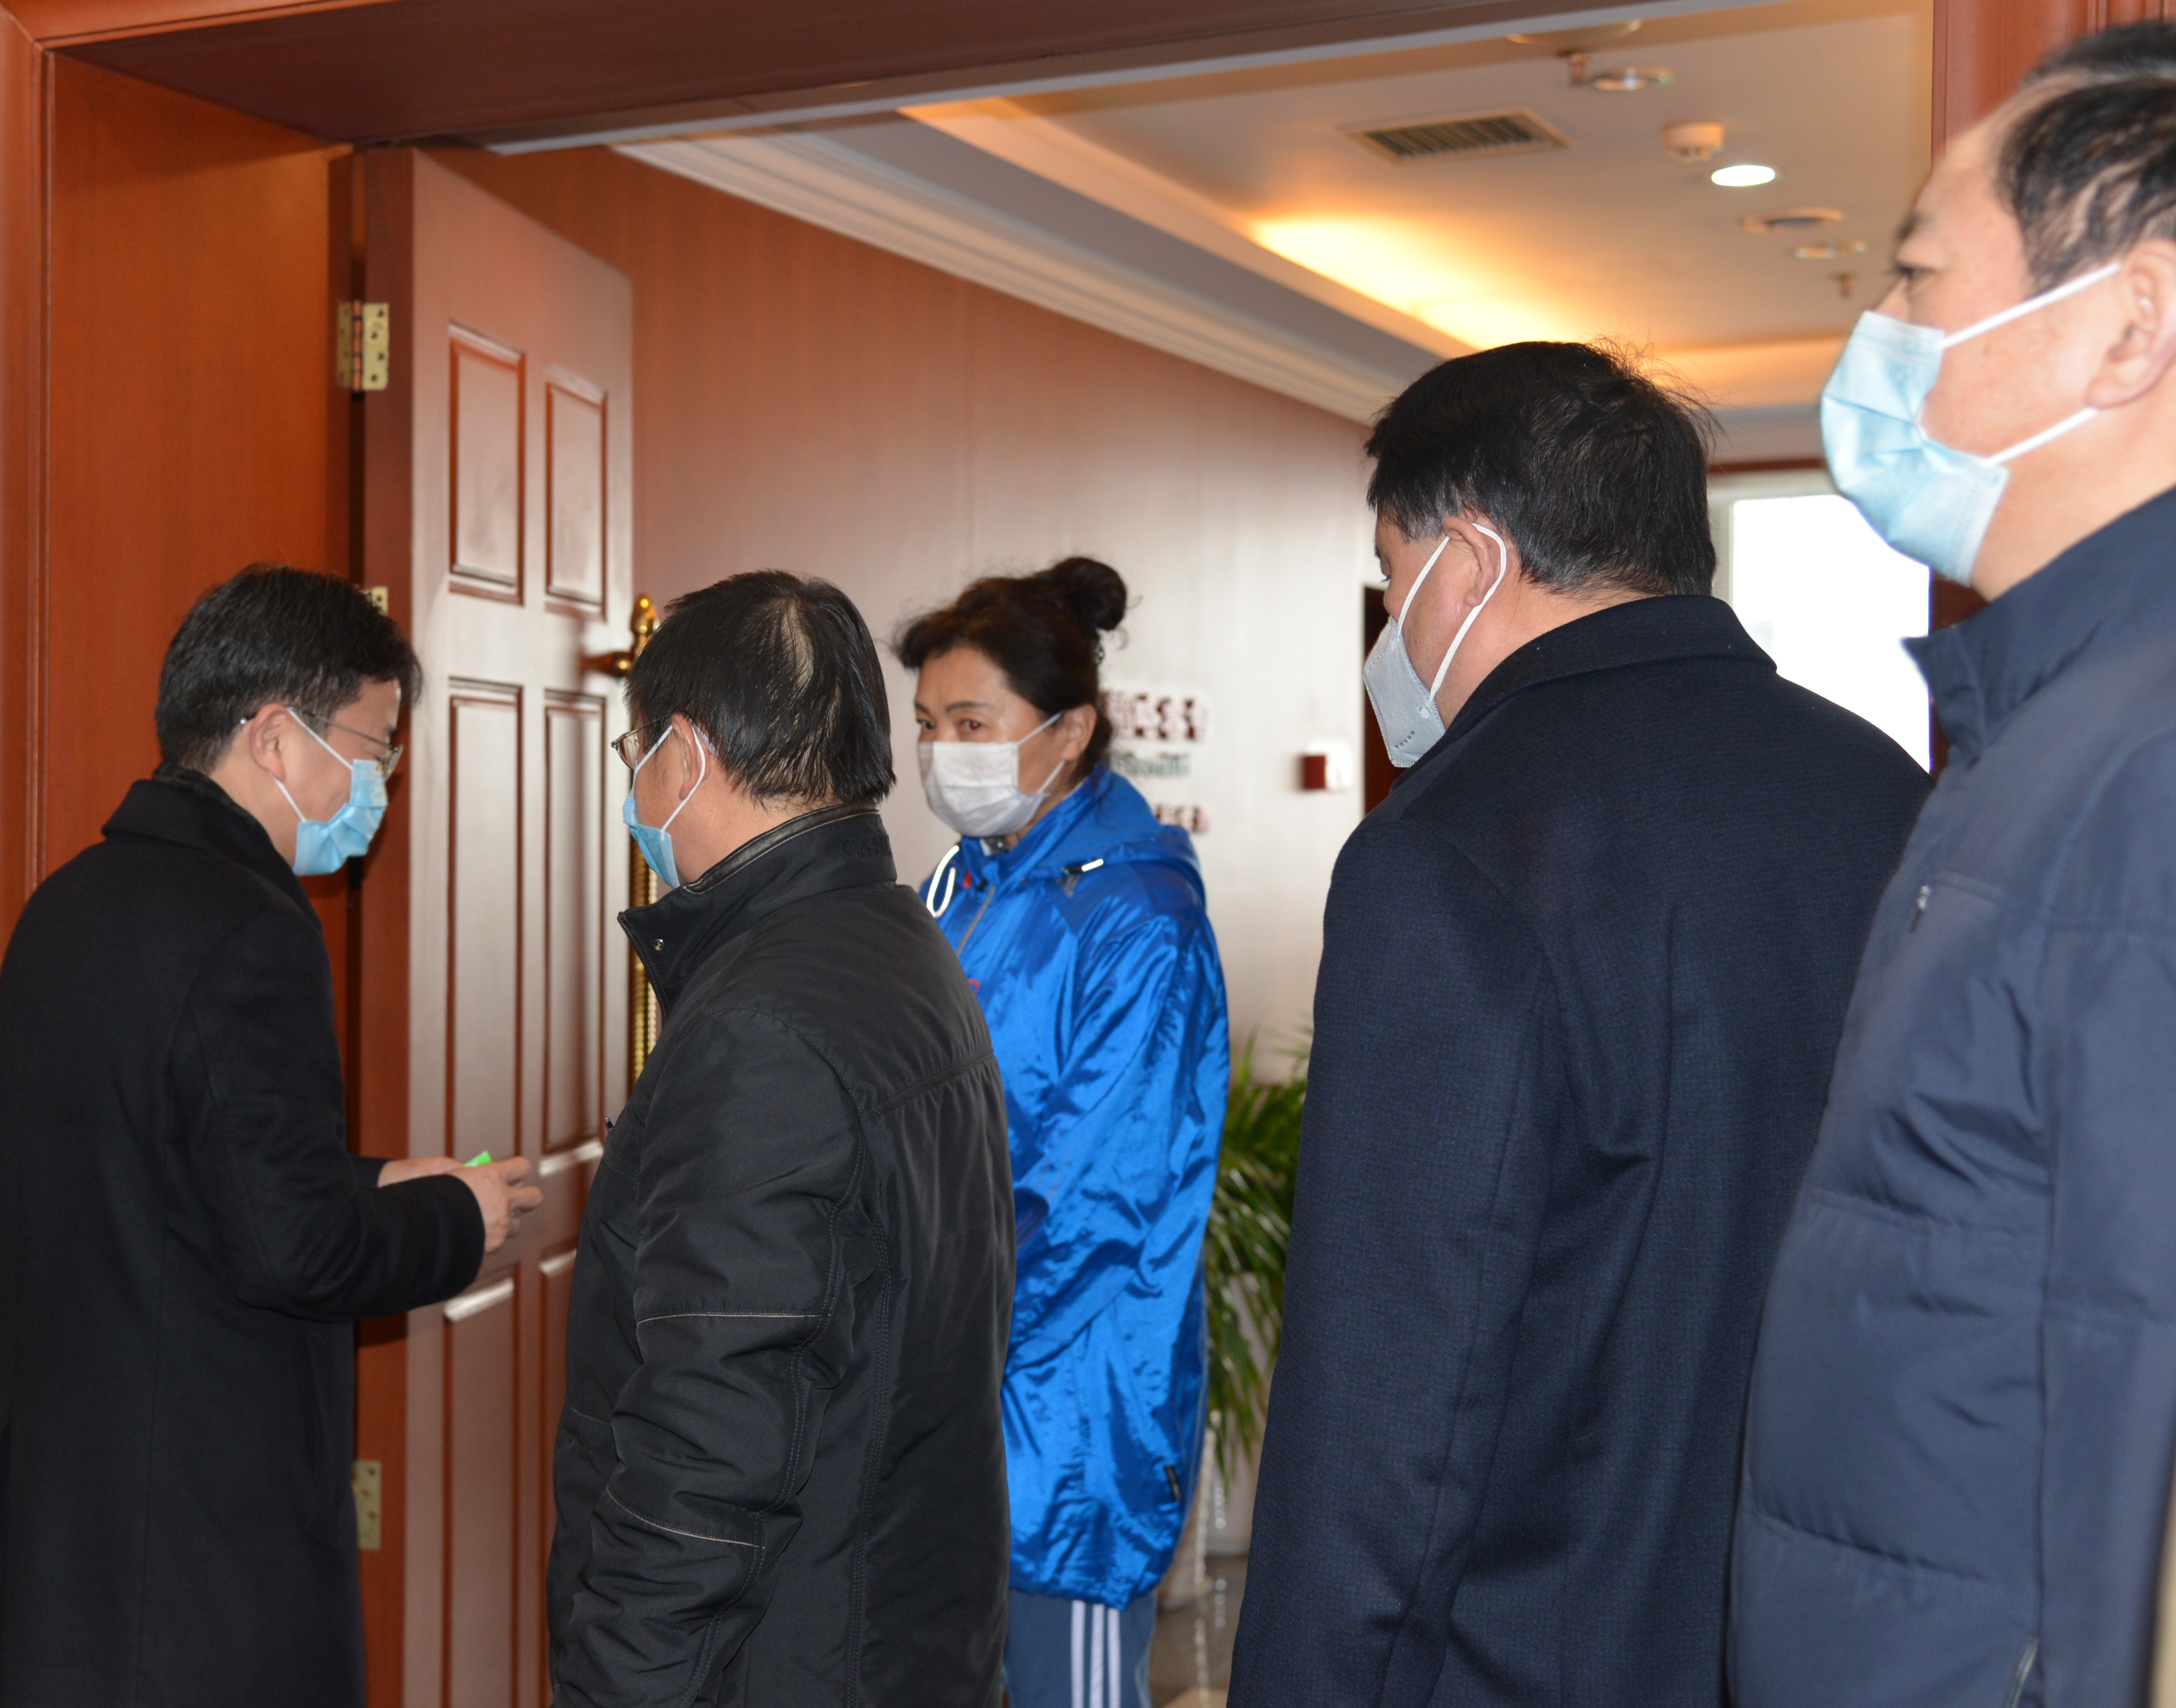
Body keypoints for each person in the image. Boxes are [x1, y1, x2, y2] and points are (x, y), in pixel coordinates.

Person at [1224, 344, 1930, 1708]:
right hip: (1843, 1624)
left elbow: (1394, 1389)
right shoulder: (1884, 790)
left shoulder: (1450, 847)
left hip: (1539, 1644)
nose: (1393, 624)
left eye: (1392, 576)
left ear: (1471, 560)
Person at [1731, 24, 2176, 1706]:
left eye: (1919, 276)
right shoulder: (2046, 720)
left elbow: (2141, 1377)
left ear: (2130, 322)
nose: (1884, 331)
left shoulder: (2145, 759)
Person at [0, 564, 538, 1708]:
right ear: (277, 736)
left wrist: (375, 1179)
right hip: (203, 1565)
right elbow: (295, 1250)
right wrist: (458, 1215)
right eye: (376, 746)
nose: (382, 783)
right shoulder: (250, 928)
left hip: (72, 1538)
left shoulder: (67, 902)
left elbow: (165, 1167)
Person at [548, 571, 1014, 1708]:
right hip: (901, 1637)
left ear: (687, 755)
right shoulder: (901, 950)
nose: (637, 786)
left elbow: (706, 1456)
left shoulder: (762, 1028)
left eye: (635, 754)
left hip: (793, 1659)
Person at [897, 557, 1227, 1708]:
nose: (942, 752)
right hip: (954, 1410)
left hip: (1068, 1431)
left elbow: (1095, 1207)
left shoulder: (1138, 917)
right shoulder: (964, 887)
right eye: (928, 724)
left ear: (1071, 730)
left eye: (972, 723)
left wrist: (935, 1349)